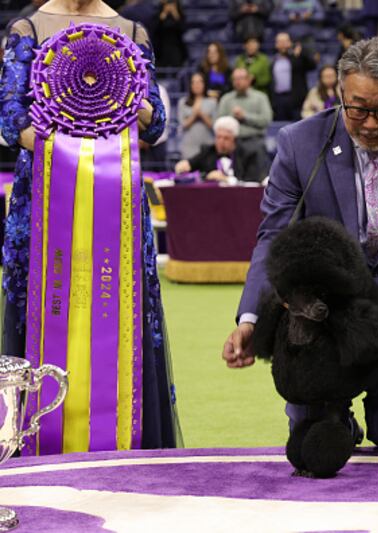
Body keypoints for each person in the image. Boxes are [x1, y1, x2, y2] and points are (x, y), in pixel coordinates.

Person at [222, 37, 378, 452]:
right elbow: (274, 236)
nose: (372, 123)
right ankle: (335, 417)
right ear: (339, 93)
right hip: (326, 322)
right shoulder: (299, 143)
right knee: (316, 442)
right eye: (358, 108)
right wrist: (251, 317)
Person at [0, 0, 181, 452]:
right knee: (45, 304)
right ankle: (35, 444)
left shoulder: (132, 33)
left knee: (120, 304)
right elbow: (10, 119)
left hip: (117, 203)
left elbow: (156, 122)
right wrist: (63, 158)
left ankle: (126, 439)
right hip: (44, 202)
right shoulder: (28, 29)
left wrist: (133, 100)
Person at [174, 116, 263, 182]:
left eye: (226, 138)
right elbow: (190, 164)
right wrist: (183, 165)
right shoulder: (208, 151)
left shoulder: (247, 154)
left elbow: (252, 182)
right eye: (218, 137)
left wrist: (226, 179)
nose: (221, 141)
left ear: (234, 139)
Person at [217, 66, 273, 165]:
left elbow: (266, 120)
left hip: (255, 141)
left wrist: (245, 116)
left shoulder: (260, 97)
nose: (237, 82)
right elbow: (219, 124)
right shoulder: (226, 99)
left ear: (249, 80)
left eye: (241, 78)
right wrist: (232, 119)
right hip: (232, 144)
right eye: (235, 79)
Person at [268, 32, 317, 121]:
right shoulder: (274, 60)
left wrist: (301, 53)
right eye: (279, 42)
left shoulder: (297, 57)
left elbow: (312, 65)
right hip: (279, 100)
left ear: (290, 42)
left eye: (285, 41)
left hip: (296, 99)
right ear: (276, 44)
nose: (282, 44)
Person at [178, 72, 217, 159]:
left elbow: (214, 125)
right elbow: (183, 125)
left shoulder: (212, 102)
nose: (197, 85)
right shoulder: (183, 102)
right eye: (194, 82)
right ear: (190, 85)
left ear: (204, 84)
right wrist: (194, 115)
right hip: (188, 146)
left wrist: (202, 115)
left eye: (200, 82)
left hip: (207, 145)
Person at [153, 0, 186, 68]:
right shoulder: (157, 13)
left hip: (176, 49)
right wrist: (163, 15)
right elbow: (154, 31)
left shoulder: (180, 14)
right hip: (161, 50)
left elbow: (183, 30)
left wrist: (175, 14)